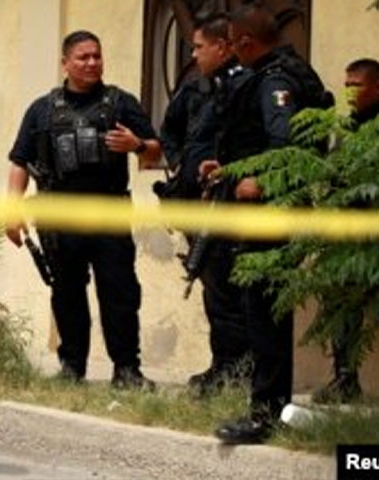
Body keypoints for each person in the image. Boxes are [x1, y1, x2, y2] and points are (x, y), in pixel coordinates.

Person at [203, 3, 333, 444]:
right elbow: (260, 142)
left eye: (232, 43)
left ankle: (265, 415)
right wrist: (230, 170)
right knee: (263, 314)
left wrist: (260, 181)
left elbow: (284, 142)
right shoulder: (283, 71)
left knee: (264, 317)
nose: (231, 52)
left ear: (245, 42)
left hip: (269, 214)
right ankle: (268, 408)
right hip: (271, 210)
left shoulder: (275, 81)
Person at [6, 30, 161, 387]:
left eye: (96, 56)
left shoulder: (121, 103)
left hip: (109, 213)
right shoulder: (42, 109)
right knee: (67, 293)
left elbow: (155, 152)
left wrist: (137, 145)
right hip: (60, 217)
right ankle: (72, 367)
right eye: (83, 57)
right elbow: (19, 161)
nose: (92, 63)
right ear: (65, 63)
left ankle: (127, 370)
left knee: (120, 293)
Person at [178, 13, 253, 395]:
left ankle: (235, 371)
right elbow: (179, 135)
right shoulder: (203, 88)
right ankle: (223, 366)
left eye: (198, 47)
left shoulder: (242, 86)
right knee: (216, 294)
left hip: (229, 206)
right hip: (204, 202)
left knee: (229, 296)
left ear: (223, 47)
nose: (193, 55)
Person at [312, 58, 379, 404]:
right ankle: (345, 378)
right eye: (347, 85)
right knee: (340, 305)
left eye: (357, 85)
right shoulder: (345, 127)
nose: (350, 91)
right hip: (345, 234)